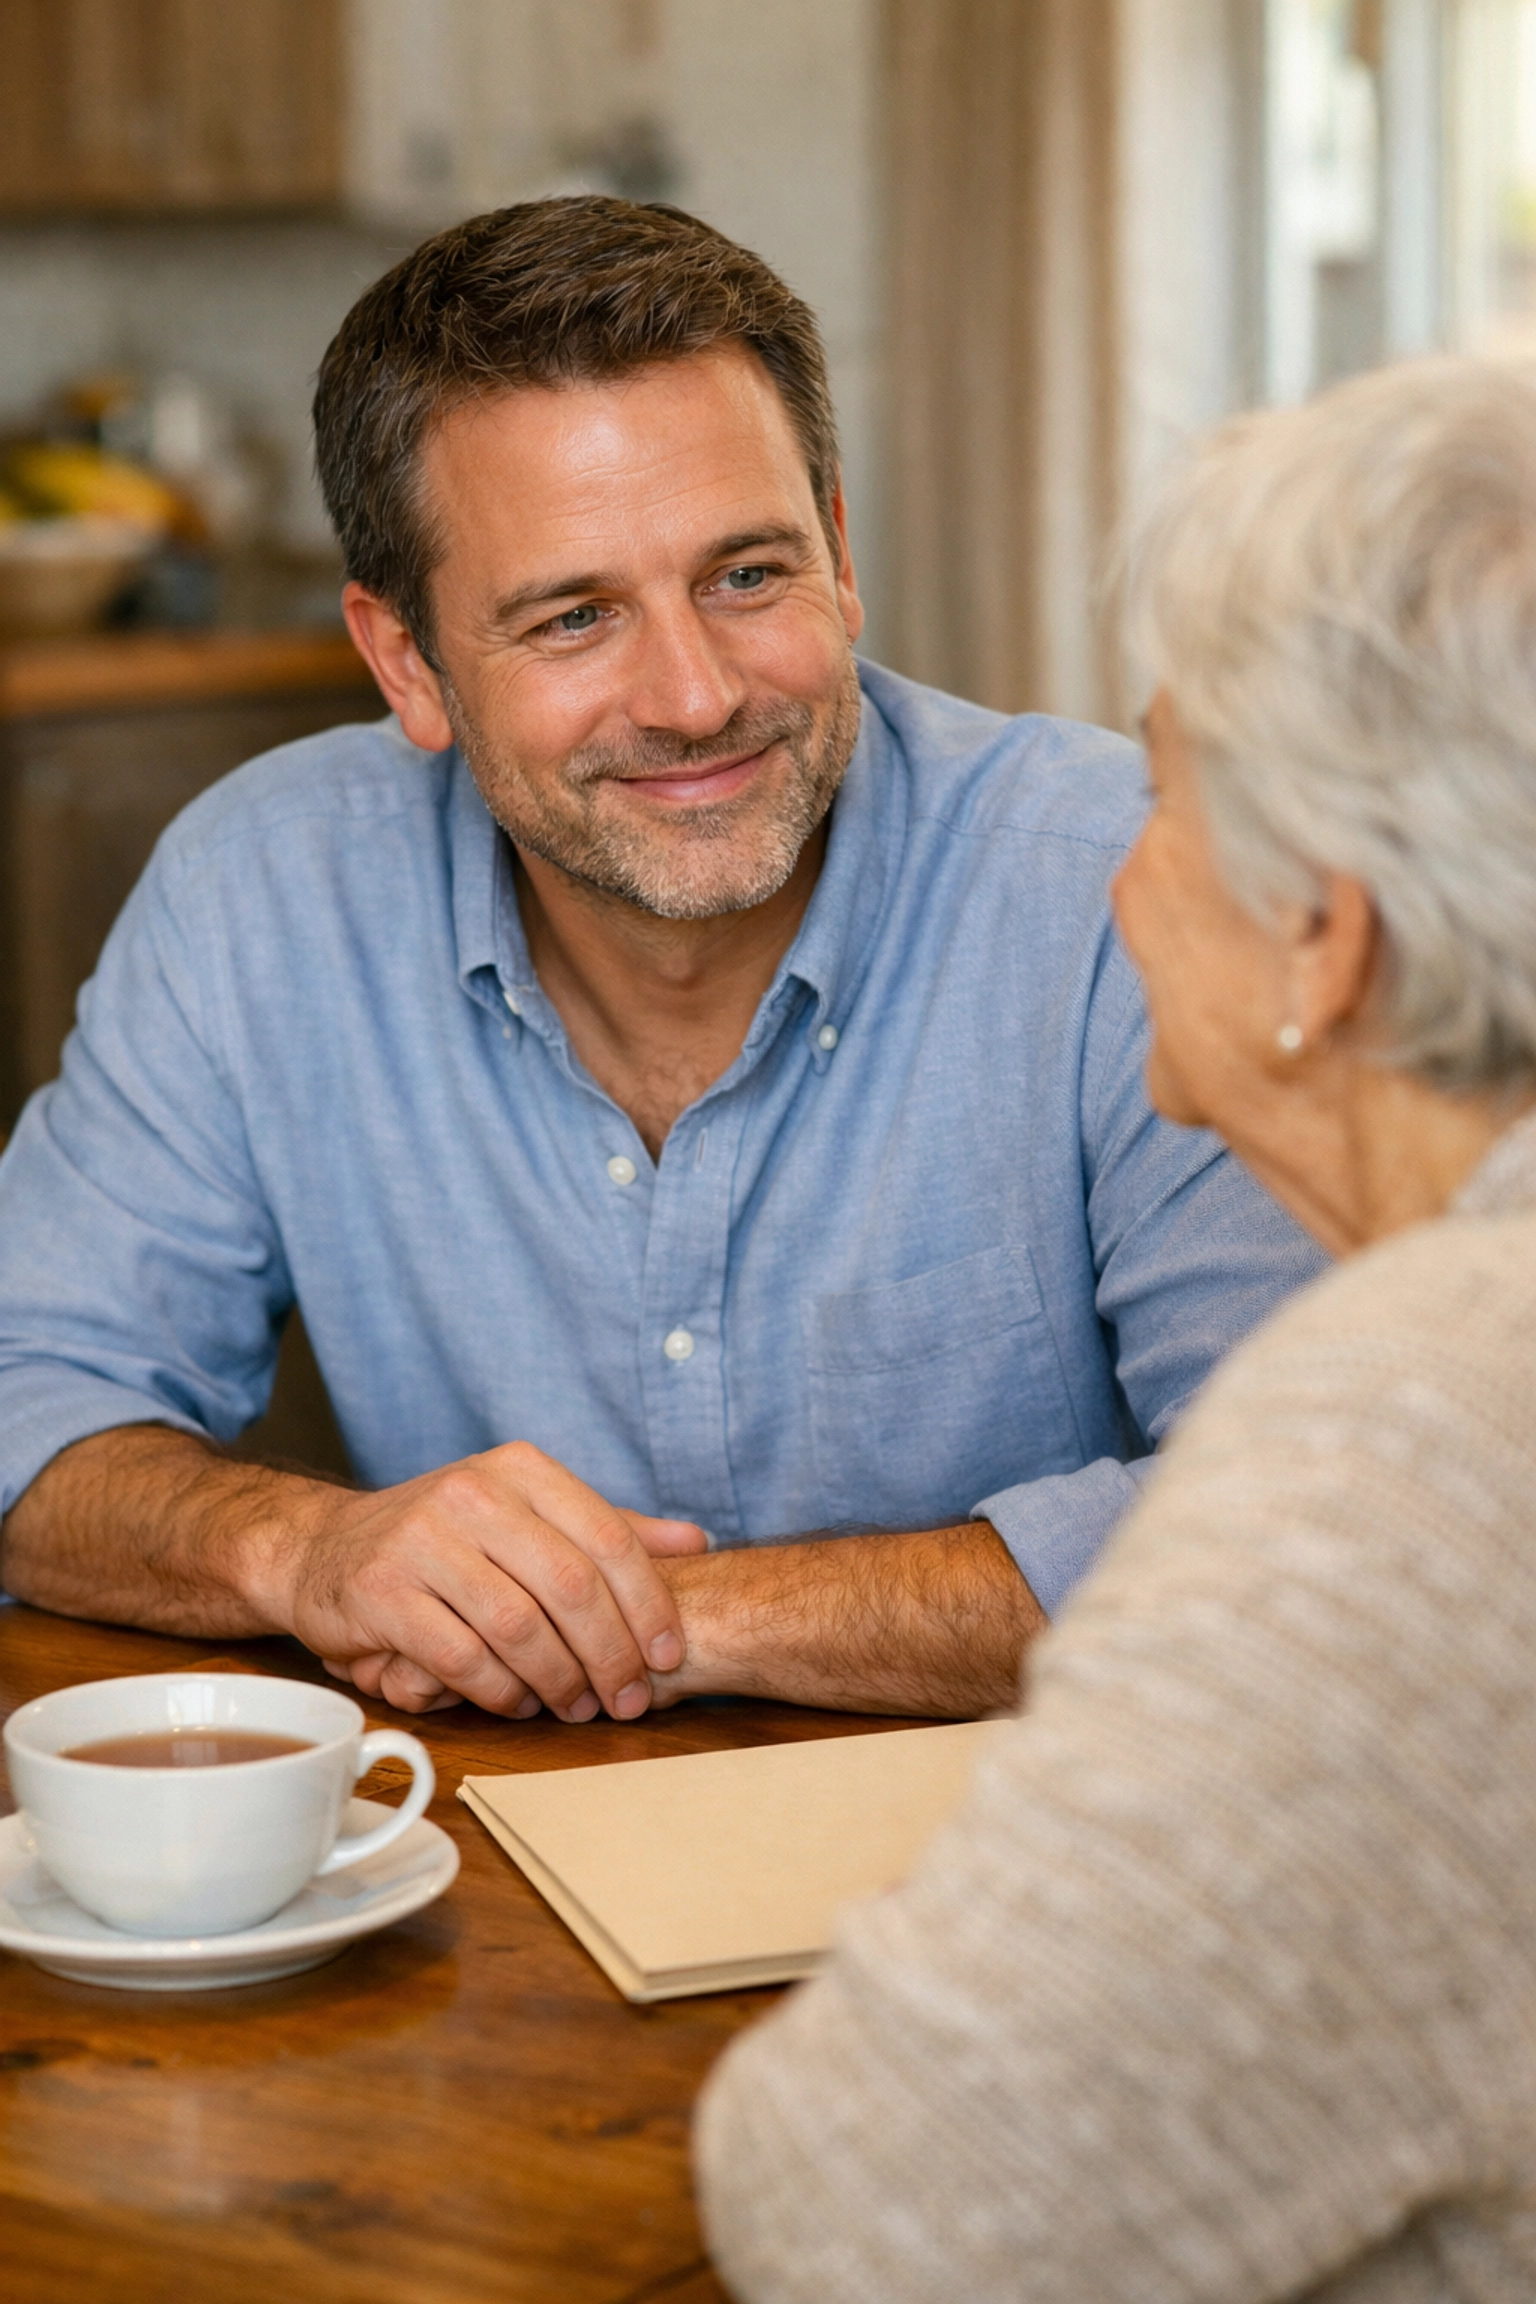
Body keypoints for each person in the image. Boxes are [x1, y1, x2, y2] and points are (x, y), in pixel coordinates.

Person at [0, 198, 1317, 1726]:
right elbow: (30, 1395)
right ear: (405, 662)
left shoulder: (1128, 886)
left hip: (1062, 1868)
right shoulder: (261, 895)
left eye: (749, 576)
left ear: (839, 546)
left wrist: (642, 1621)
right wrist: (305, 1549)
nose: (693, 697)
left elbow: (1309, 1522)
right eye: (574, 617)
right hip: (481, 1900)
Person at [695, 354, 1536, 2304]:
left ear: (1326, 936)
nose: (1115, 862)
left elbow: (868, 2215)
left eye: (1157, 787)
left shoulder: (1420, 1423)